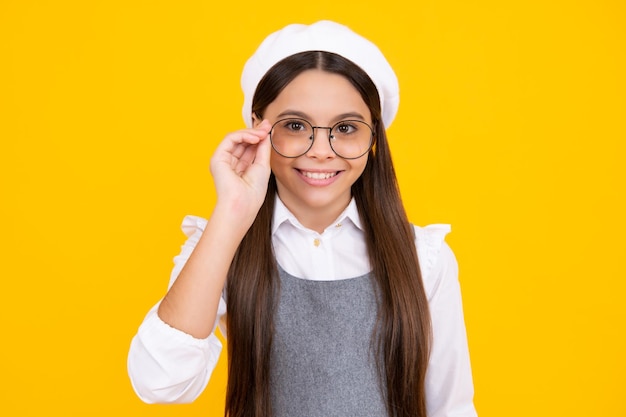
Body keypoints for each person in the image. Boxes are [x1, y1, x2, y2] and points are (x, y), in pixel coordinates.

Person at [127, 20, 478, 417]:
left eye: (346, 128)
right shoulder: (223, 246)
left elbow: (452, 409)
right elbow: (160, 382)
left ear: (374, 137)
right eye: (296, 126)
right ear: (257, 128)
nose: (322, 151)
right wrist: (231, 211)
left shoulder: (424, 259)